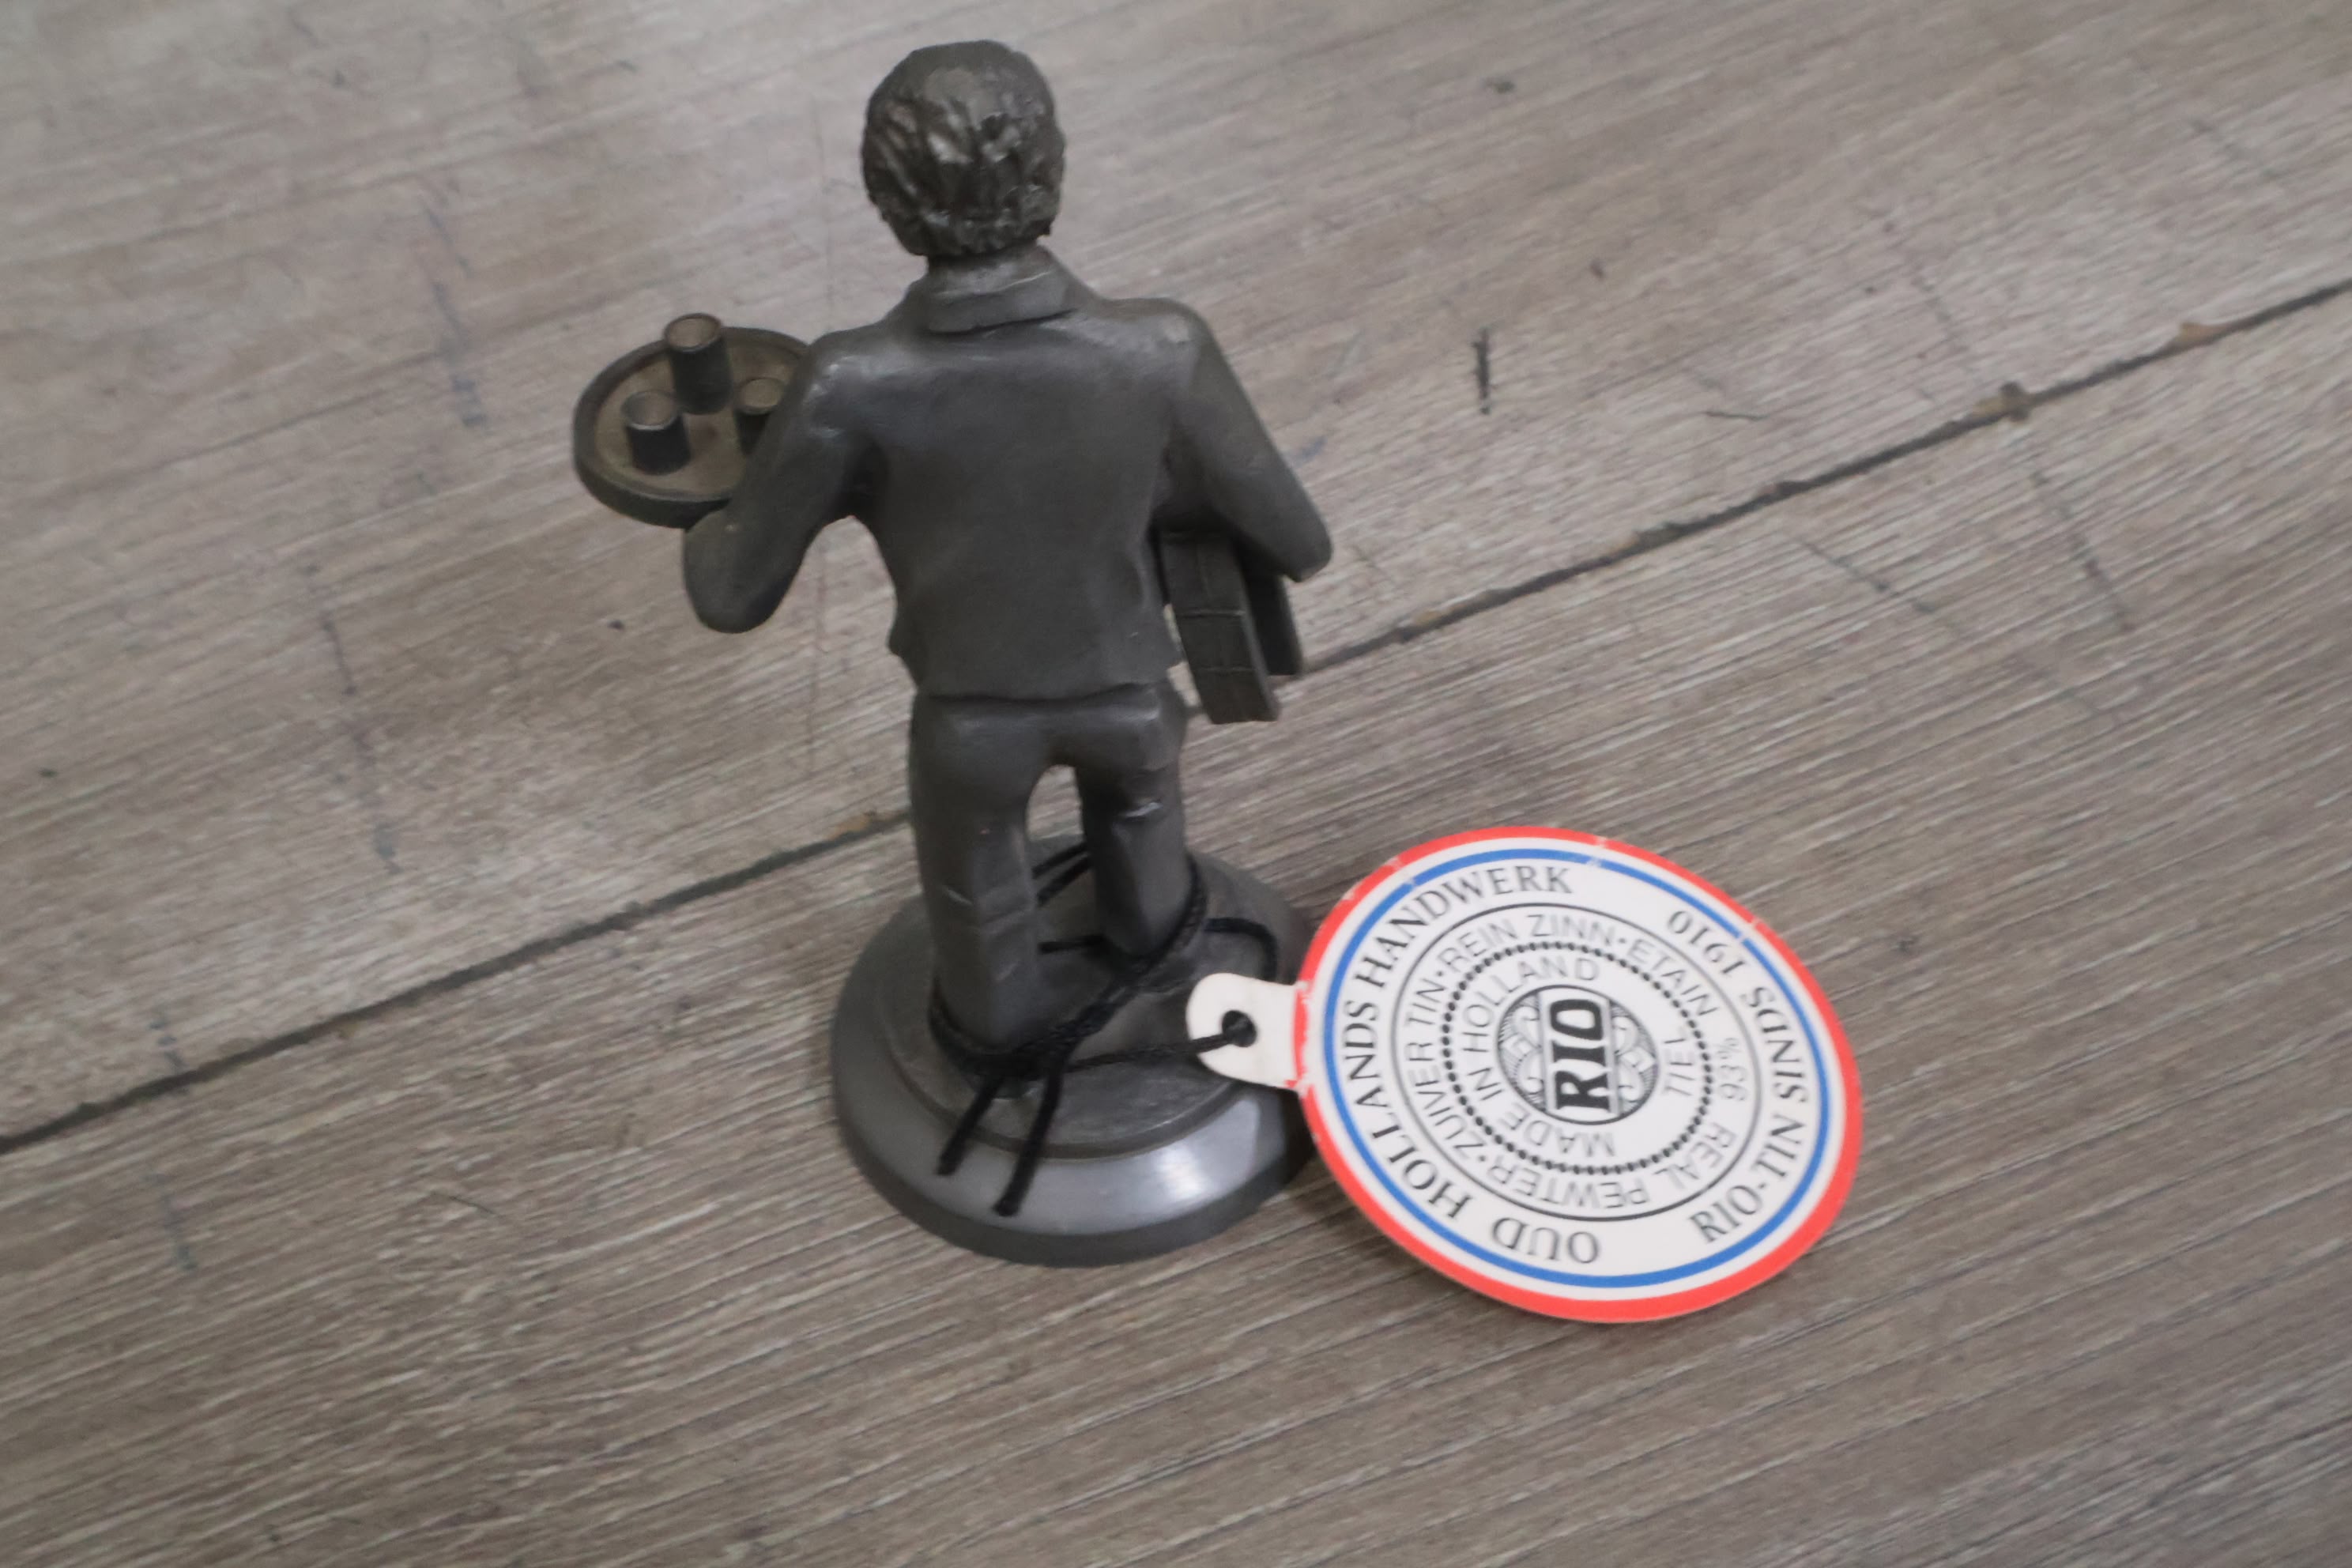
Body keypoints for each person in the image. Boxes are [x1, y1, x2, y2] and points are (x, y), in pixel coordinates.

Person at [683, 40, 1330, 1046]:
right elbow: (1297, 537)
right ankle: (1172, 1005)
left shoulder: (846, 384)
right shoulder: (1163, 348)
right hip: (1128, 699)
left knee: (977, 901)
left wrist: (709, 509)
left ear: (885, 199)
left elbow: (732, 594)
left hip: (970, 722)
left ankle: (999, 1057)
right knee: (1152, 866)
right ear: (1052, 171)